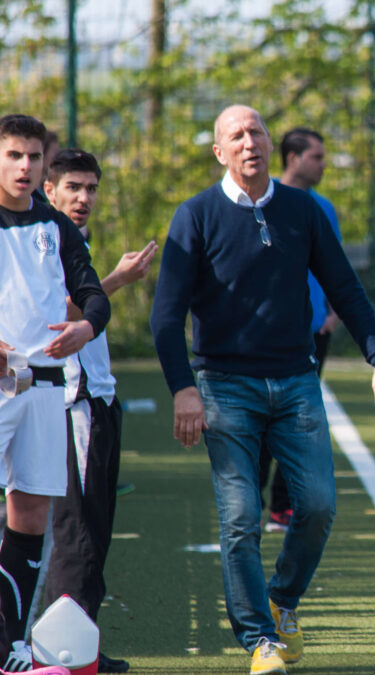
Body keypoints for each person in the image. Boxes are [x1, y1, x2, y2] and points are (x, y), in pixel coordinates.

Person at [150, 105, 375, 675]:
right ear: (219, 152)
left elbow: (346, 288)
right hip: (222, 386)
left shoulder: (303, 209)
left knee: (315, 506)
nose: (248, 142)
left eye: (256, 131)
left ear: (270, 143)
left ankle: (282, 601)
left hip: (296, 382)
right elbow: (166, 317)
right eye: (235, 135)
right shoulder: (195, 216)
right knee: (240, 516)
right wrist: (183, 390)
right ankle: (259, 640)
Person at [38, 149, 157, 674]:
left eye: (91, 188)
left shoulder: (71, 239)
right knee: (77, 530)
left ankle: (79, 643)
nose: (83, 198)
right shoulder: (41, 240)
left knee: (97, 528)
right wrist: (115, 280)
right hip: (72, 401)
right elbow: (55, 316)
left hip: (98, 398)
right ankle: (56, 652)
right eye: (73, 188)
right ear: (50, 190)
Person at [0, 113, 110, 675]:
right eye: (14, 155)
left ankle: (12, 646)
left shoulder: (55, 226)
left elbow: (93, 293)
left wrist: (85, 327)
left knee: (32, 515)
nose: (25, 166)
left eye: (34, 156)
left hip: (45, 388)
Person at [258, 128, 343, 535]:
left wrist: (332, 312)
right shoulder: (264, 200)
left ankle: (282, 506)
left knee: (298, 420)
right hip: (271, 332)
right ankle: (248, 506)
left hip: (313, 332)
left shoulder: (323, 207)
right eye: (317, 157)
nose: (323, 165)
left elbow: (333, 266)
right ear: (292, 157)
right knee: (258, 417)